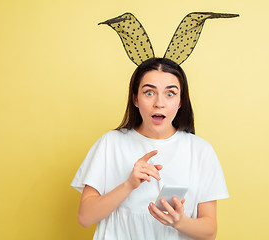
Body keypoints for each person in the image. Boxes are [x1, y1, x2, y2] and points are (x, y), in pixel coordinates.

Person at [71, 57, 229, 239]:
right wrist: (128, 185)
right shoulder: (110, 143)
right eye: (149, 93)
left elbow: (210, 232)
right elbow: (85, 217)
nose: (159, 103)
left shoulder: (201, 151)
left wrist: (179, 221)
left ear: (180, 101)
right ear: (135, 99)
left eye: (170, 94)